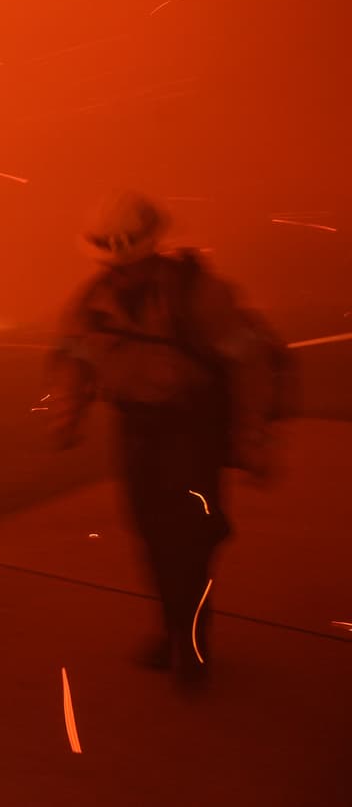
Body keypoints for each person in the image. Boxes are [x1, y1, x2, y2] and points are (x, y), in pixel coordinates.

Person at [46, 190, 286, 690]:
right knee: (150, 537)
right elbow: (73, 358)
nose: (121, 272)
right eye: (113, 262)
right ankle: (171, 628)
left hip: (191, 432)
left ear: (151, 247)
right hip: (136, 433)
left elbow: (249, 365)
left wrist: (252, 438)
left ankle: (192, 645)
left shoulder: (198, 295)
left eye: (128, 260)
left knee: (191, 544)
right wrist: (67, 414)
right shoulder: (93, 301)